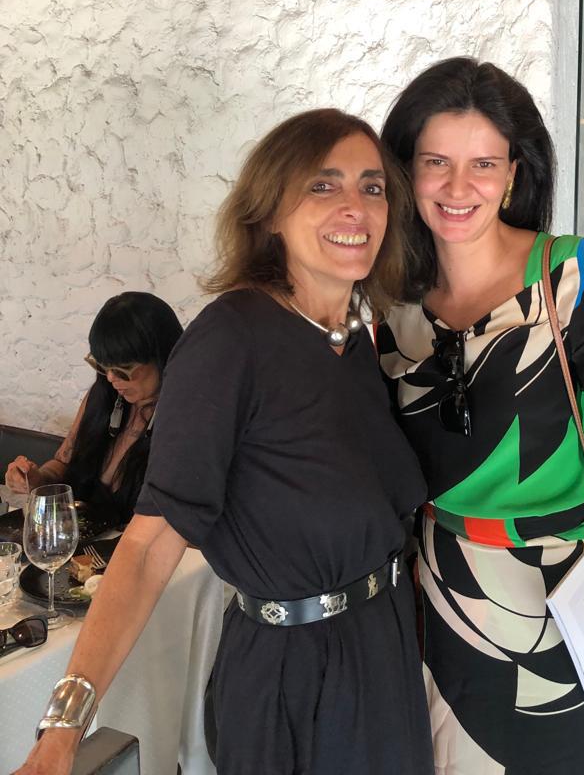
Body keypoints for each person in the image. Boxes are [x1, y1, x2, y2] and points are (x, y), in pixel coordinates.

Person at [14, 109, 432, 775]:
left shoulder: (356, 338)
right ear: (270, 214)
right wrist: (62, 730)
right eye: (322, 185)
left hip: (383, 656)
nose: (355, 205)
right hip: (292, 678)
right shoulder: (230, 339)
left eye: (372, 186)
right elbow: (149, 546)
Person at [378, 58, 584, 775]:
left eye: (483, 164)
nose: (458, 187)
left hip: (567, 605)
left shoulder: (567, 278)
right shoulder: (391, 304)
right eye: (436, 162)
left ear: (514, 172)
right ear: (406, 169)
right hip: (444, 609)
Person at [4, 293, 182, 524]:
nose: (110, 378)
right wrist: (36, 479)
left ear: (163, 358)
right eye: (102, 366)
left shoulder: (182, 420)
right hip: (80, 539)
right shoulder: (104, 395)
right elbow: (63, 464)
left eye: (123, 369)